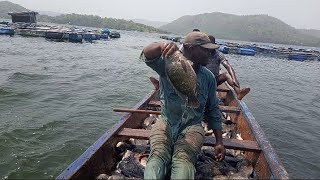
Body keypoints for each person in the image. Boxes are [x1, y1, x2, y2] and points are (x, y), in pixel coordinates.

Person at [140, 31, 225, 179]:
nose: (211, 54)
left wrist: (219, 141)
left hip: (192, 127)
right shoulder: (168, 64)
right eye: (206, 50)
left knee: (184, 160)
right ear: (191, 48)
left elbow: (213, 110)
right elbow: (148, 54)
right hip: (165, 122)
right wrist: (161, 45)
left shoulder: (209, 78)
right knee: (157, 156)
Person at [206, 35, 250, 100]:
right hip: (203, 79)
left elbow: (228, 66)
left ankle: (239, 93)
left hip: (214, 80)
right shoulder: (202, 54)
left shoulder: (219, 54)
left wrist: (234, 79)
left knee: (226, 75)